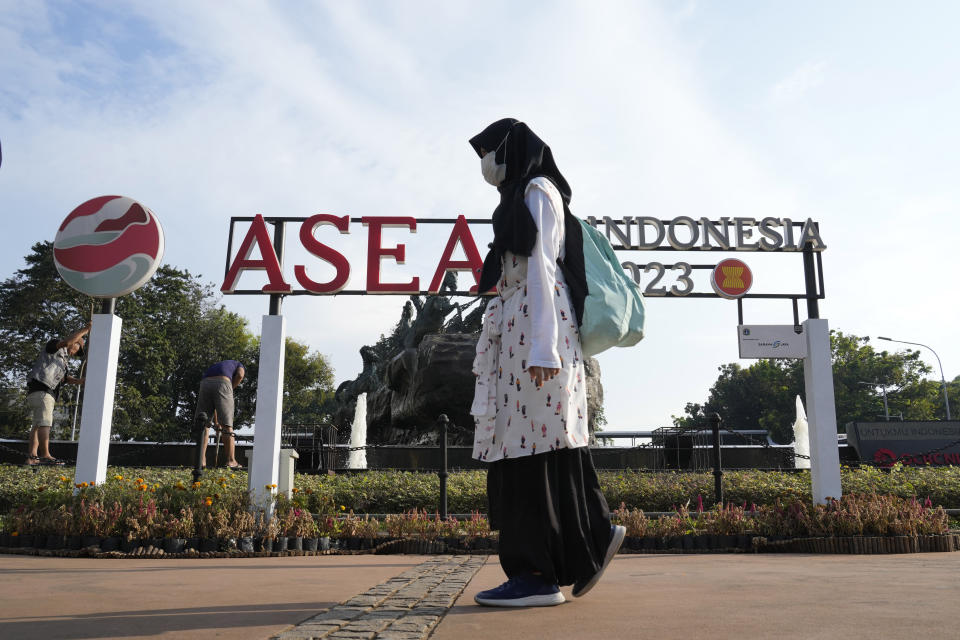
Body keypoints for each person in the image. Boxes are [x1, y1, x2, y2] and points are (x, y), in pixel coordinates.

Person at [468, 119, 625, 607]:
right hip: (523, 321)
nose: (484, 164)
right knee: (542, 441)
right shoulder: (517, 196)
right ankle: (589, 537)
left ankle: (536, 572)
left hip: (538, 322)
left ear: (511, 150)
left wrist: (544, 346)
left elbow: (542, 265)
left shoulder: (537, 190)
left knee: (528, 447)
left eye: (489, 152)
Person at [25, 325, 89, 465]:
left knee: (37, 424)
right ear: (75, 342)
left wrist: (79, 381)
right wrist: (86, 329)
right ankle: (46, 455)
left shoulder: (63, 361)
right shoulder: (55, 345)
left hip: (39, 392)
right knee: (45, 423)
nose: (74, 354)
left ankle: (32, 457)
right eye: (77, 350)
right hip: (43, 391)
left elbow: (64, 378)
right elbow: (66, 343)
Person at [195, 360, 245, 469]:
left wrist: (217, 422)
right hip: (223, 382)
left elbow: (215, 406)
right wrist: (230, 389)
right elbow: (240, 375)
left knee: (203, 423)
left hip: (205, 383)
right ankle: (231, 461)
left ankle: (201, 460)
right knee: (227, 425)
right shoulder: (239, 364)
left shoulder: (216, 366)